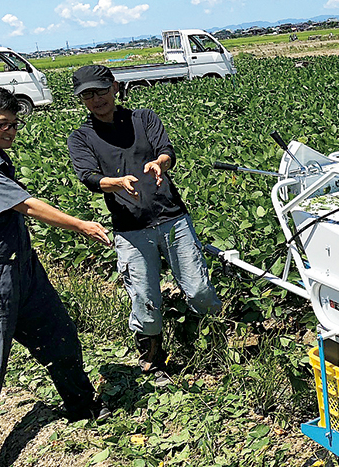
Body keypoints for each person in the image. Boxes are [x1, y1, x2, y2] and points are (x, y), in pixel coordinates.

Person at [0, 86, 111, 467]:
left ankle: (82, 404)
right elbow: (26, 206)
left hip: (21, 265)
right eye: (2, 125)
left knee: (58, 333)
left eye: (15, 123)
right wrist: (81, 225)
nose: (11, 131)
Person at [66, 65, 222, 380]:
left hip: (172, 216)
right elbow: (88, 177)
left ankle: (214, 341)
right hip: (130, 227)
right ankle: (153, 360)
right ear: (82, 100)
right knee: (144, 296)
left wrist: (159, 162)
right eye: (88, 95)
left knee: (199, 289)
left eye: (100, 90)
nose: (96, 99)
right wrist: (115, 182)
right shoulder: (82, 137)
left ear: (114, 87)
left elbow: (166, 151)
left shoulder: (144, 119)